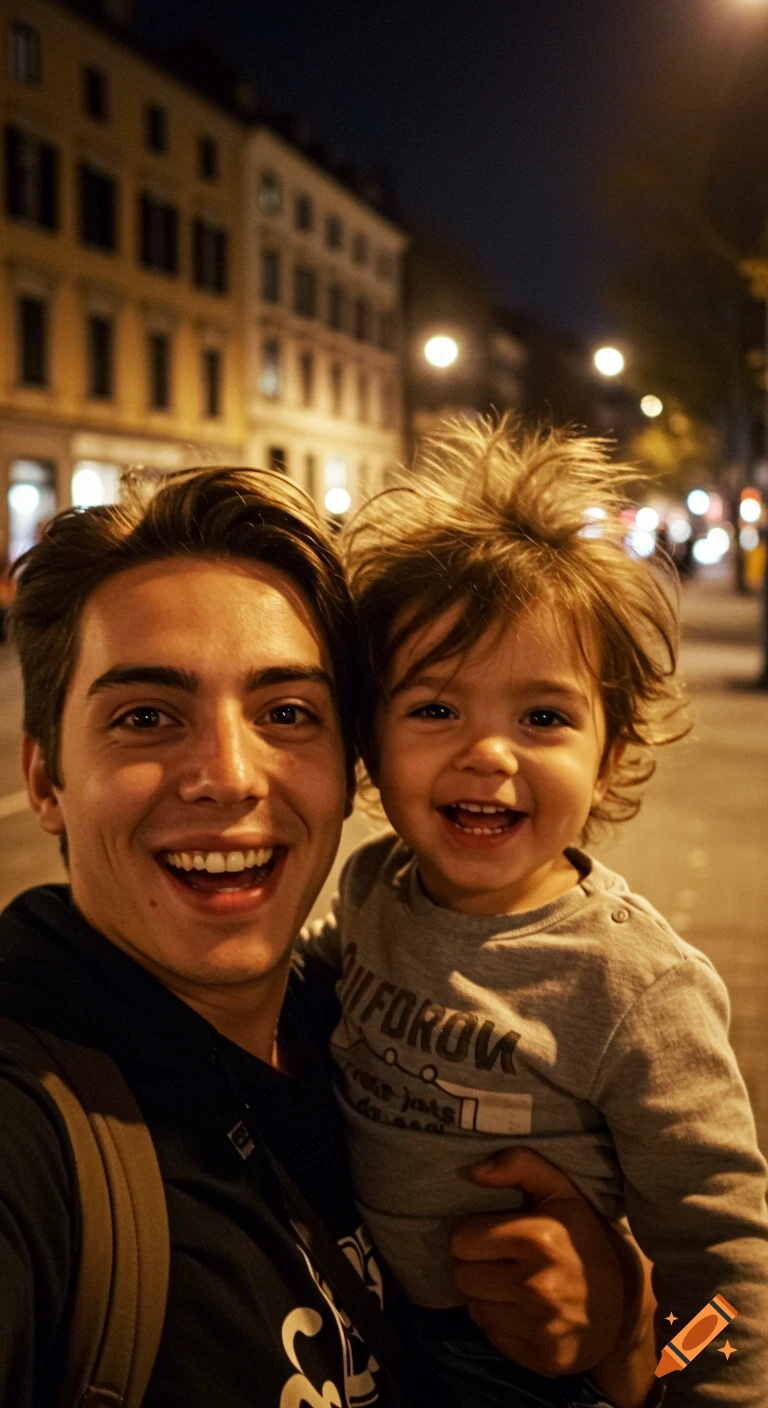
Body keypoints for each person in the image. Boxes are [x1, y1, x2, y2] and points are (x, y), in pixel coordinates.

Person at [0, 465, 656, 1407]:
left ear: (351, 769)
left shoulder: (376, 1010)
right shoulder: (31, 1124)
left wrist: (621, 1331)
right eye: (145, 717)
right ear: (45, 779)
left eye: (286, 713)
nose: (229, 776)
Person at [301, 418, 768, 1408]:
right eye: (435, 709)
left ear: (609, 754)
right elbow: (308, 977)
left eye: (544, 717)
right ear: (370, 742)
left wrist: (682, 1381)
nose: (489, 754)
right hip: (371, 1323)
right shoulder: (374, 885)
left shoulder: (635, 987)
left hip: (533, 1373)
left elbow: (723, 1254)